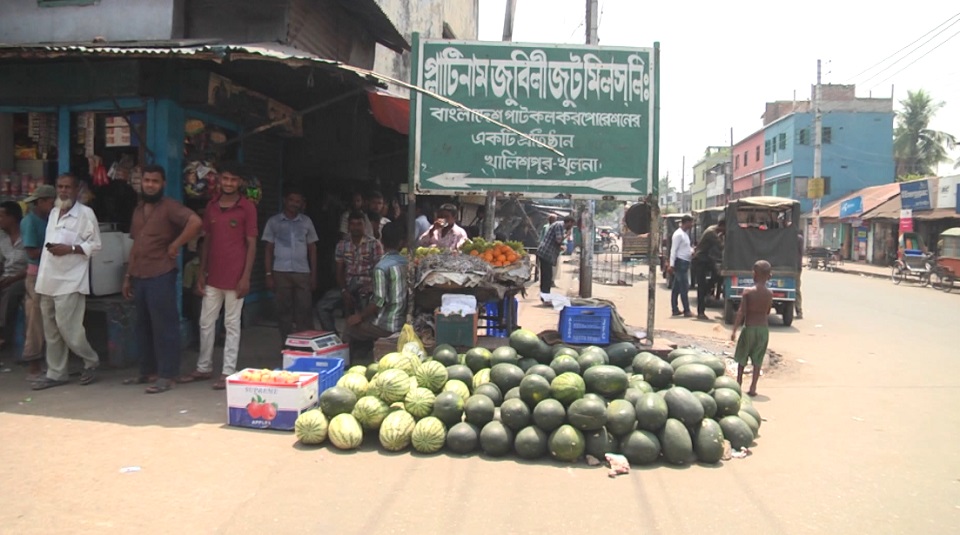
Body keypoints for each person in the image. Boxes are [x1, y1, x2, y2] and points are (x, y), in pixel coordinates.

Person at [122, 165, 202, 393]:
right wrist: (127, 276)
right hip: (139, 275)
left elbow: (195, 222)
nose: (149, 185)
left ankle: (168, 374)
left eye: (154, 181)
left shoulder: (170, 207)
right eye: (146, 180)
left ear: (163, 184)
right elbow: (135, 245)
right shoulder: (138, 210)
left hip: (161, 273)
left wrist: (176, 244)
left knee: (164, 325)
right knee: (143, 325)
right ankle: (147, 371)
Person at [180, 162, 258, 390]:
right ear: (220, 180)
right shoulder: (212, 206)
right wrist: (202, 273)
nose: (229, 183)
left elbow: (251, 244)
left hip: (236, 277)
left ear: (240, 183)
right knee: (206, 322)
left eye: (234, 180)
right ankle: (203, 367)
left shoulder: (247, 208)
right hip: (213, 275)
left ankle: (227, 371)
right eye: (226, 179)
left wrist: (246, 277)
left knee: (232, 324)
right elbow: (207, 242)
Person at [31, 174, 102, 390]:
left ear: (76, 189)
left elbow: (96, 245)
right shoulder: (53, 212)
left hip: (70, 281)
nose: (63, 191)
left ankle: (91, 361)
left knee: (69, 329)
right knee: (51, 331)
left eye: (67, 187)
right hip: (48, 280)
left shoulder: (85, 214)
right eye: (60, 187)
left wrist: (70, 249)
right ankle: (56, 372)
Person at [342, 222, 408, 364]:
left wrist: (359, 316)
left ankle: (349, 367)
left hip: (387, 325)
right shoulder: (406, 262)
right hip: (404, 320)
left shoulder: (381, 267)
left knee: (349, 328)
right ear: (402, 243)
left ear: (381, 240)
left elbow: (378, 302)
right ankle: (366, 356)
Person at [263, 187, 319, 342]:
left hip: (302, 272)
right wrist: (268, 274)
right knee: (283, 311)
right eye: (291, 200)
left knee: (305, 310)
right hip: (280, 272)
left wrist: (313, 275)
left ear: (301, 204)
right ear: (285, 201)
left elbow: (312, 249)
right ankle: (287, 344)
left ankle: (304, 344)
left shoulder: (306, 222)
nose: (294, 204)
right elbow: (268, 249)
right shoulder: (273, 222)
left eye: (298, 201)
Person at [315, 211, 383, 334]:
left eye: (359, 224)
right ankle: (334, 338)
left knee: (364, 318)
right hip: (348, 285)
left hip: (367, 286)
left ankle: (364, 343)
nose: (356, 227)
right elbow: (339, 270)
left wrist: (370, 288)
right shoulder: (342, 245)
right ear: (348, 227)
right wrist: (344, 291)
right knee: (322, 307)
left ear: (364, 226)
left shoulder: (374, 244)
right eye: (353, 224)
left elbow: (379, 271)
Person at [20, 185, 56, 380]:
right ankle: (33, 364)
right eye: (51, 202)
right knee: (35, 318)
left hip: (51, 274)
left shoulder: (49, 219)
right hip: (36, 276)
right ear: (41, 202)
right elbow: (32, 252)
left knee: (50, 318)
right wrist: (56, 250)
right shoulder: (30, 222)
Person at [731, 260, 773, 397]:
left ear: (755, 274)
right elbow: (767, 312)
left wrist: (734, 330)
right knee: (758, 359)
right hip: (763, 330)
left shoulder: (748, 292)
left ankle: (738, 384)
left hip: (749, 328)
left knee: (742, 357)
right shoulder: (769, 293)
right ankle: (753, 387)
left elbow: (741, 312)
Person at [0, 201, 28, 348]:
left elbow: (33, 265)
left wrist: (13, 278)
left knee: (11, 291)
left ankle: (2, 331)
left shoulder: (26, 236)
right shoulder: (2, 238)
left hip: (24, 276)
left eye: (1, 216)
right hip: (7, 275)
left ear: (12, 218)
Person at [692, 219, 725, 320]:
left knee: (719, 275)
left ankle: (707, 290)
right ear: (722, 226)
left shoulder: (712, 229)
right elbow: (721, 246)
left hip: (705, 257)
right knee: (701, 287)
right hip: (700, 259)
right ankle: (700, 312)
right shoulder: (711, 232)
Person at [536, 216, 575, 299]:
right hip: (546, 253)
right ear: (569, 222)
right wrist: (567, 235)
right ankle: (545, 296)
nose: (571, 227)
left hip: (547, 253)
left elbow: (555, 241)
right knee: (547, 276)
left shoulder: (558, 225)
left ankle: (544, 295)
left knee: (546, 276)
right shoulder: (559, 226)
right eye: (571, 225)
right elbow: (558, 240)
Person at [668, 215, 694, 317]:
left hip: (685, 262)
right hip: (680, 263)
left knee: (676, 288)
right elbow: (673, 250)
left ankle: (675, 309)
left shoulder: (685, 235)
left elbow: (686, 248)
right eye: (690, 222)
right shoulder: (678, 234)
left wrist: (692, 251)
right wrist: (671, 264)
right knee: (684, 287)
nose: (691, 225)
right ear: (686, 222)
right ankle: (686, 310)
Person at [795, 228, 804, 320]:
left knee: (796, 289)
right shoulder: (799, 238)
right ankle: (799, 310)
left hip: (795, 267)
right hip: (797, 266)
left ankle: (799, 310)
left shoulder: (797, 238)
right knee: (796, 289)